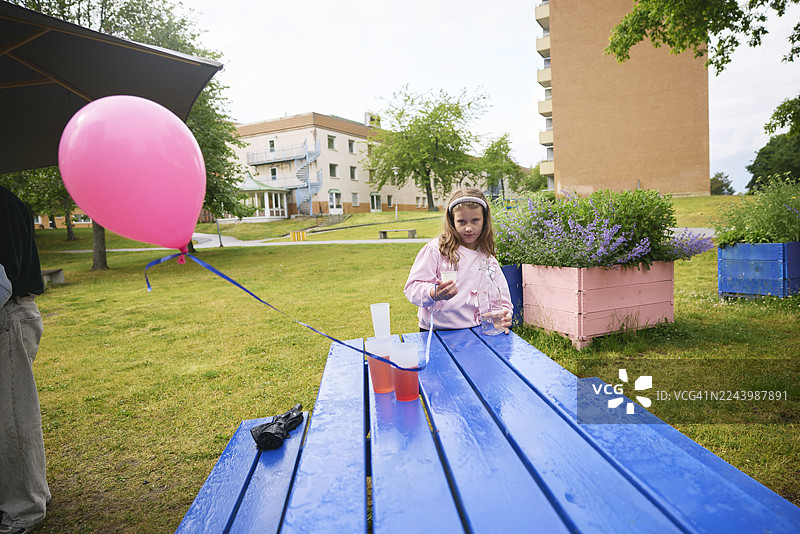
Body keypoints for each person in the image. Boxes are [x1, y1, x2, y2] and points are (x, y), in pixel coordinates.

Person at [0, 185, 49, 534]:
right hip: (15, 311)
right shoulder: (9, 199)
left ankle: (24, 509)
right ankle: (34, 495)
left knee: (13, 417)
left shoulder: (1, 202)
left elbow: (4, 273)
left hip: (10, 312)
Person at [404, 188, 513, 332]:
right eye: (461, 221)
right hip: (437, 332)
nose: (469, 228)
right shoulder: (436, 250)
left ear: (484, 220)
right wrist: (433, 293)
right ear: (452, 221)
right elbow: (412, 288)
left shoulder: (488, 259)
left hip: (477, 331)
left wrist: (504, 316)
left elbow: (503, 300)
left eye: (475, 220)